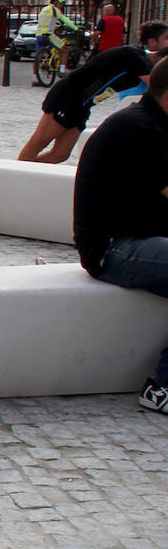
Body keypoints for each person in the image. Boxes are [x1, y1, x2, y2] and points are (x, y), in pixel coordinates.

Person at [73, 55, 168, 416]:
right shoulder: (139, 127)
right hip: (115, 247)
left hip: (145, 241)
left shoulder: (157, 123)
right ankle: (163, 386)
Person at [17, 20, 168, 164]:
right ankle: (16, 177)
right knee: (38, 143)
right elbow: (158, 87)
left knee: (61, 154)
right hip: (69, 95)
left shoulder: (145, 62)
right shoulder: (135, 56)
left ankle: (24, 173)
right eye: (167, 38)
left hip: (84, 103)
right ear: (152, 41)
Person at [35, 0, 79, 80]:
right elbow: (64, 19)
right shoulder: (54, 10)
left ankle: (35, 79)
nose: (61, 5)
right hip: (48, 35)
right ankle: (62, 71)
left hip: (39, 35)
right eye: (61, 3)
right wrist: (76, 28)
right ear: (56, 2)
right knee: (65, 50)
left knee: (37, 58)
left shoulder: (44, 9)